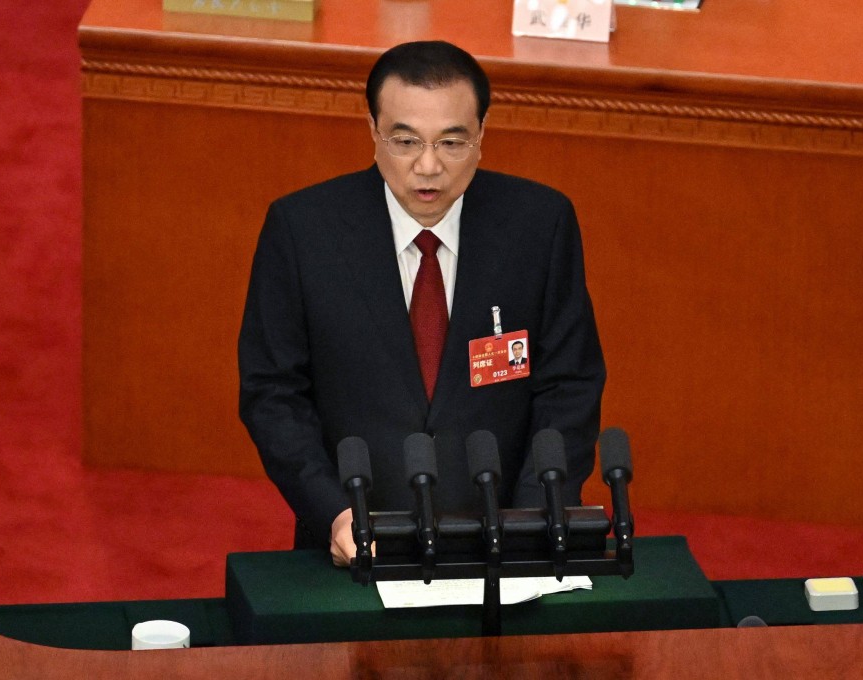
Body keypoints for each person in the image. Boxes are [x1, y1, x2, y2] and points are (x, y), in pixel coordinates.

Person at [238, 40, 605, 567]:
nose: (428, 167)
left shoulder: (539, 226)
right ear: (373, 131)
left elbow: (569, 383)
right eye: (405, 141)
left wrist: (532, 518)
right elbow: (272, 392)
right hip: (354, 541)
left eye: (452, 143)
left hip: (506, 542)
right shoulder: (301, 231)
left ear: (482, 135)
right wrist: (332, 512)